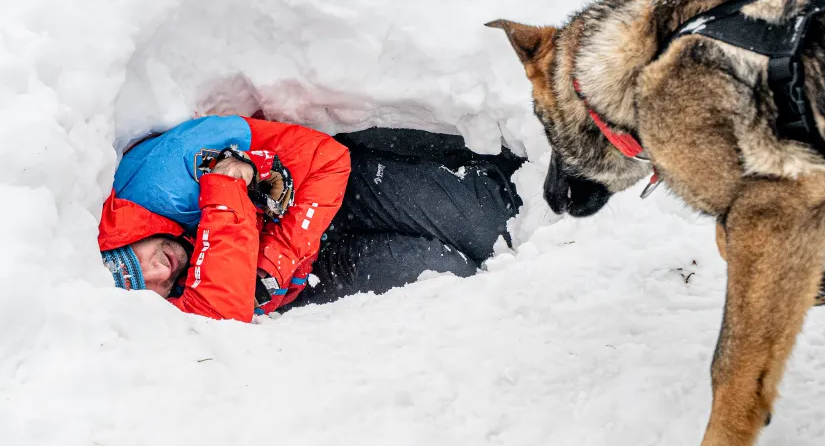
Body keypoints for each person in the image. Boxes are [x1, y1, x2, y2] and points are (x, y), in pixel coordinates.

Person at [98, 115, 524, 321]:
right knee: (450, 274)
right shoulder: (161, 298)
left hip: (329, 188)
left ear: (112, 242)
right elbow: (222, 311)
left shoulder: (163, 182)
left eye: (133, 269)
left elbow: (327, 160)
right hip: (308, 266)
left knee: (491, 221)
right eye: (143, 290)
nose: (159, 276)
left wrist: (269, 259)